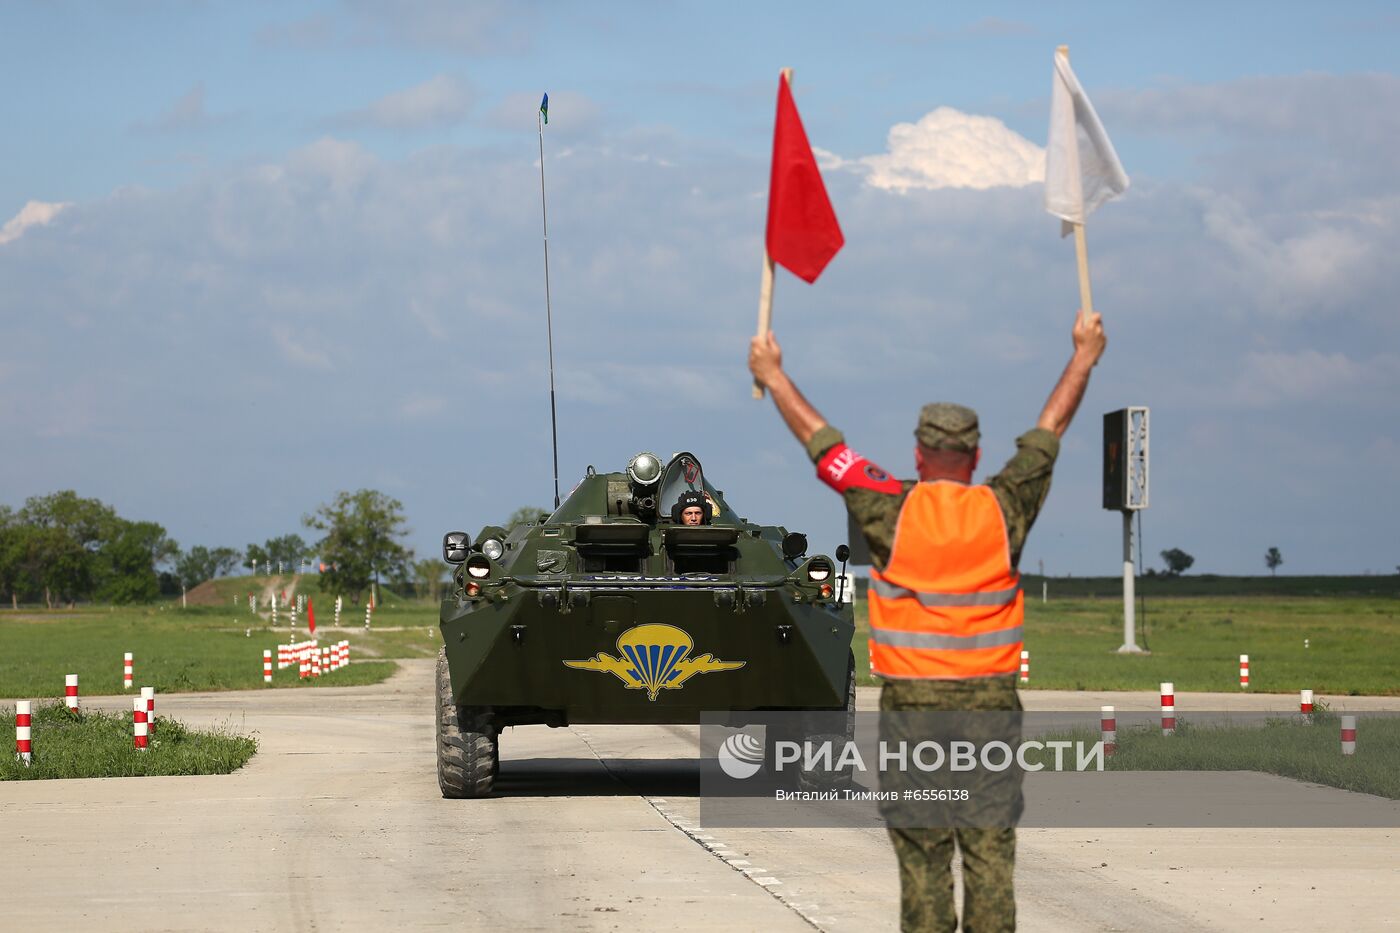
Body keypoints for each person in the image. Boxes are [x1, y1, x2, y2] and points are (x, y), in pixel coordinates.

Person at [748, 308, 1106, 933]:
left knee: (923, 860)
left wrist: (774, 375)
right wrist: (1083, 356)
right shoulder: (1006, 506)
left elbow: (828, 450)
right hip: (989, 707)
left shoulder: (888, 508)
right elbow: (1050, 431)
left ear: (918, 452)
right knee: (990, 855)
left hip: (914, 713)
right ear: (976, 455)